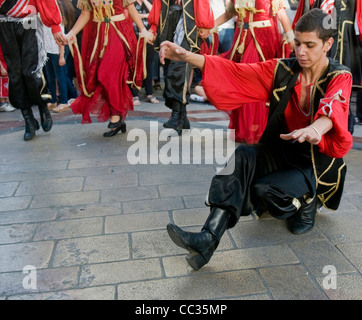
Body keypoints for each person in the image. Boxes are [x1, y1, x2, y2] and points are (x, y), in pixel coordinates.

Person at [160, 8, 353, 270]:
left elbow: (335, 105)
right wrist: (186, 56)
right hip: (282, 149)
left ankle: (308, 201)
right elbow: (236, 72)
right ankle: (208, 238)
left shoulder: (339, 75)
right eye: (297, 43)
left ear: (328, 44)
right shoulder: (282, 70)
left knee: (263, 190)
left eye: (310, 45)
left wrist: (316, 129)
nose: (301, 51)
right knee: (241, 157)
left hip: (314, 163)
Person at [65, 0, 154, 137]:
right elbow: (85, 14)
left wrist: (143, 31)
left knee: (107, 74)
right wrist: (71, 33)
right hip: (99, 37)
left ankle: (117, 115)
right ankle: (117, 115)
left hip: (119, 33)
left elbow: (131, 9)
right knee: (103, 77)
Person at [214, 0, 295, 144]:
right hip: (241, 40)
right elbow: (229, 13)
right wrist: (211, 26)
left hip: (262, 40)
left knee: (253, 79)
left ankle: (257, 129)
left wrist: (292, 40)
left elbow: (281, 15)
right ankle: (245, 128)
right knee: (240, 80)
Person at [0, 0, 66, 141]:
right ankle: (28, 119)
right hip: (5, 24)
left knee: (31, 72)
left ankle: (43, 106)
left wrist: (55, 26)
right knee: (15, 75)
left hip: (28, 21)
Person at [293, 0, 362, 133]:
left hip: (344, 39)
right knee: (318, 81)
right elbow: (306, 9)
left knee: (342, 84)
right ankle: (317, 121)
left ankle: (345, 123)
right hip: (318, 38)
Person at [148, 0, 215, 135]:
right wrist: (154, 26)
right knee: (171, 62)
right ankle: (182, 118)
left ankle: (177, 114)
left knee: (179, 63)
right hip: (170, 16)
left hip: (190, 18)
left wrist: (204, 23)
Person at [43, 0, 77, 113]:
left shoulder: (58, 19)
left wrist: (62, 55)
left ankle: (63, 101)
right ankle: (53, 100)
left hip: (57, 50)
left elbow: (62, 38)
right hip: (48, 50)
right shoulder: (44, 18)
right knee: (50, 76)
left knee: (61, 76)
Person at [130, 0, 159, 106]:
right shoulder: (131, 2)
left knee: (148, 66)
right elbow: (131, 14)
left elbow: (154, 13)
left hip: (149, 38)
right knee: (135, 66)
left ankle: (149, 94)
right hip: (134, 38)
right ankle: (134, 95)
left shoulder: (149, 2)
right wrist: (146, 15)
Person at [0, 46, 15, 112]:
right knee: (2, 84)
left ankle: (7, 102)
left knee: (6, 83)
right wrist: (1, 67)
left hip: (5, 63)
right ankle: (3, 103)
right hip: (2, 65)